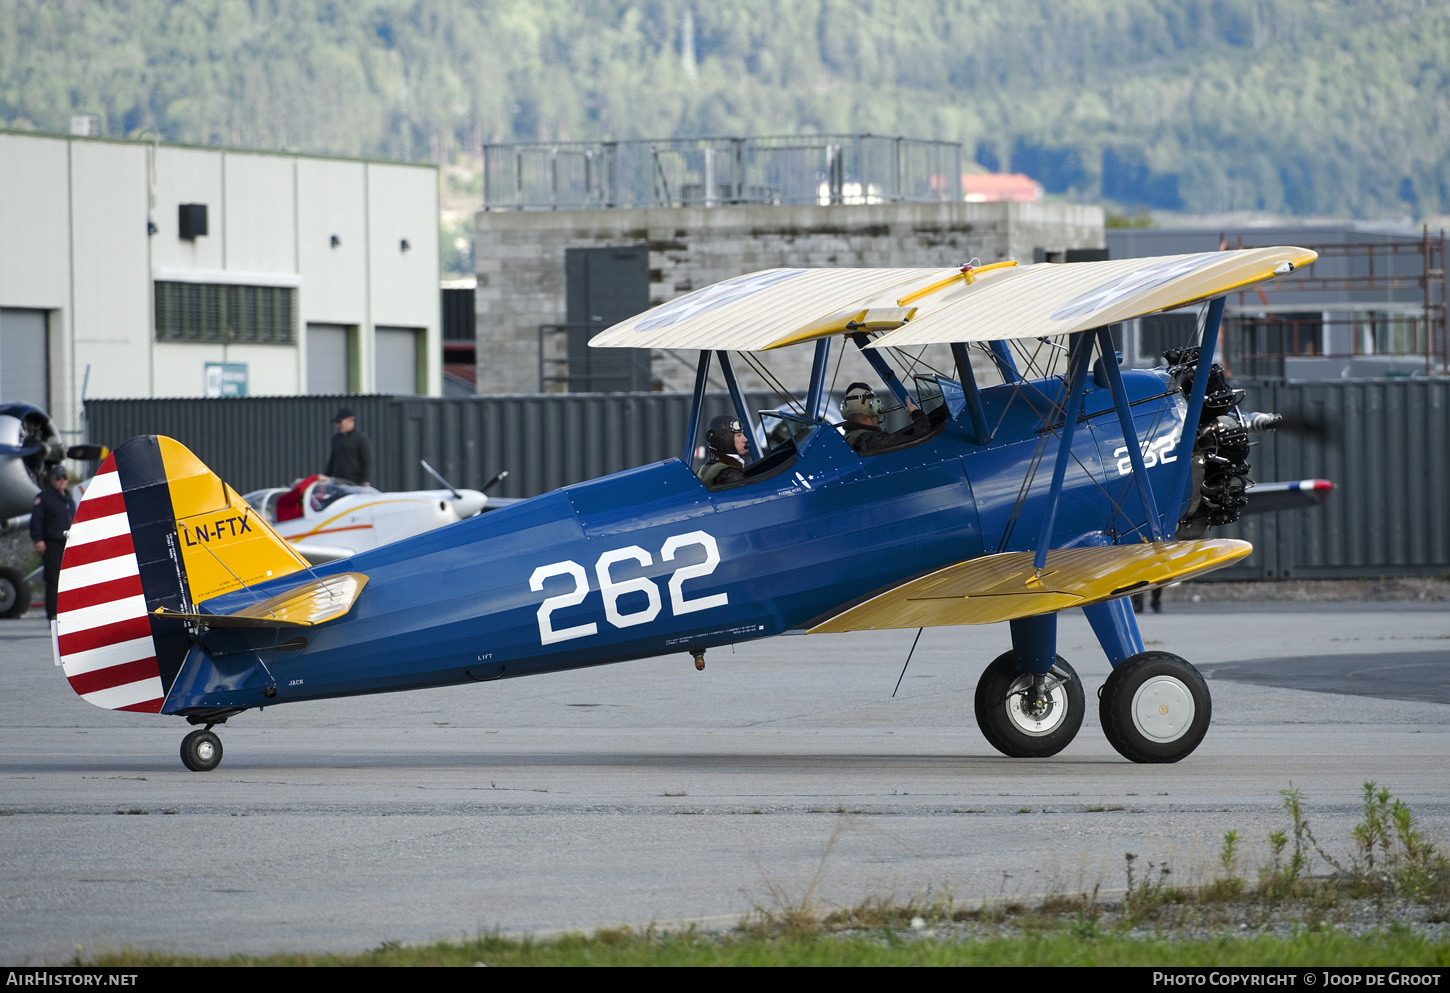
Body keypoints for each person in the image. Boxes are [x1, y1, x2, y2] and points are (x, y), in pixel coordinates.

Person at [30, 464, 74, 621]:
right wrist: (38, 539)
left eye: (64, 478)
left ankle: (67, 614)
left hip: (67, 542)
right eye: (58, 478)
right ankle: (52, 615)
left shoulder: (68, 498)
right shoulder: (44, 498)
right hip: (52, 542)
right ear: (52, 479)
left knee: (68, 579)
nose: (61, 481)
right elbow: (36, 520)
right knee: (53, 579)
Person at [840, 382, 934, 454]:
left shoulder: (845, 441)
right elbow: (922, 440)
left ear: (844, 410)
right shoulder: (878, 441)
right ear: (874, 407)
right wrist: (916, 413)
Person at [697, 415, 748, 487]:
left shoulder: (701, 470)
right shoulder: (731, 475)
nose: (745, 439)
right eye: (739, 435)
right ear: (724, 440)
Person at [326, 407, 372, 486]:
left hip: (355, 484)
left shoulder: (361, 438)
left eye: (340, 422)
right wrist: (326, 477)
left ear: (350, 421)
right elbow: (332, 460)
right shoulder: (336, 438)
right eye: (337, 422)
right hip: (338, 483)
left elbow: (368, 462)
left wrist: (365, 482)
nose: (338, 425)